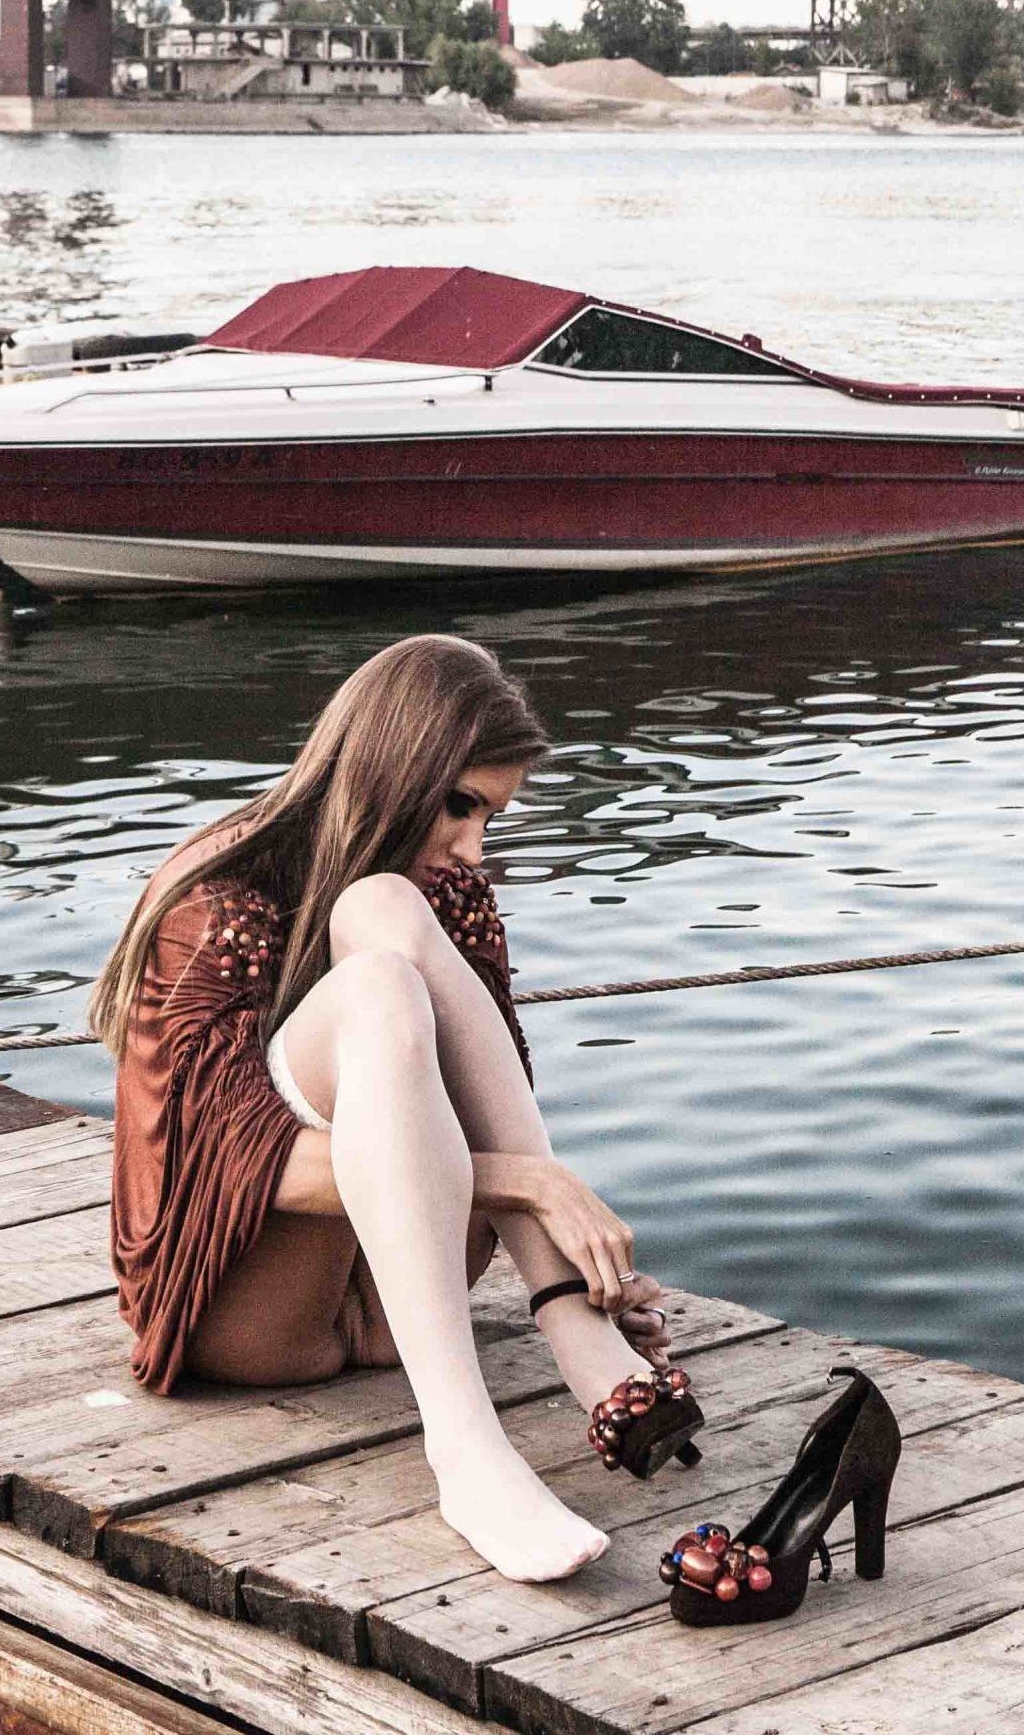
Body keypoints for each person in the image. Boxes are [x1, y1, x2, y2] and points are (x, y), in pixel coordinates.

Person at [93, 633, 699, 1585]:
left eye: (491, 816)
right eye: (460, 805)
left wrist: (562, 1247)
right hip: (248, 1313)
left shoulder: (439, 889)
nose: (472, 847)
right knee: (376, 977)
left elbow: (486, 1095)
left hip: (392, 1304)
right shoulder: (217, 893)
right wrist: (532, 1185)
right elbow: (223, 1171)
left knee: (383, 911)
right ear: (392, 766)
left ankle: (574, 1326)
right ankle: (466, 1450)